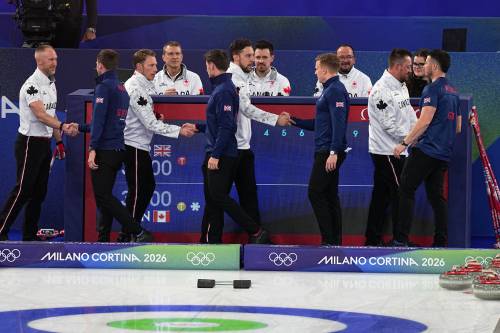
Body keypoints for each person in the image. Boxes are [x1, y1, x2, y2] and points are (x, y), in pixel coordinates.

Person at [199, 39, 291, 243]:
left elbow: (231, 118)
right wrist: (275, 119)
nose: (253, 60)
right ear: (235, 57)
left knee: (229, 197)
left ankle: (253, 237)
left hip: (239, 148)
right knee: (220, 197)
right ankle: (251, 235)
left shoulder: (235, 80)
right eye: (249, 56)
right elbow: (244, 111)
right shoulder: (234, 81)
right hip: (233, 148)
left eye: (254, 55)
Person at [102, 49, 195, 242]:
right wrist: (179, 131)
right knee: (137, 190)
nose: (155, 69)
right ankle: (128, 234)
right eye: (151, 65)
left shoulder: (146, 84)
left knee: (147, 187)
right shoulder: (135, 87)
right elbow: (150, 123)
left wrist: (156, 113)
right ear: (139, 67)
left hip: (140, 145)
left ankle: (130, 230)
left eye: (155, 65)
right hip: (131, 145)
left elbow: (147, 113)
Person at [0, 45, 77, 241]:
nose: (55, 63)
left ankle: (29, 235)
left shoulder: (51, 83)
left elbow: (50, 116)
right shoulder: (31, 85)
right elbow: (41, 116)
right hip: (29, 144)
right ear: (39, 61)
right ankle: (1, 230)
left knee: (39, 192)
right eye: (51, 60)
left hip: (44, 144)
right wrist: (63, 125)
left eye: (56, 59)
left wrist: (59, 142)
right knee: (23, 189)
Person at [392, 49, 461, 248]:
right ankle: (440, 242)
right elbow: (456, 127)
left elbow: (424, 121)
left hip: (428, 151)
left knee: (405, 189)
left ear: (435, 66)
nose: (423, 66)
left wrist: (405, 142)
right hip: (443, 155)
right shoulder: (454, 92)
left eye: (426, 63)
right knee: (436, 197)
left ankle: (400, 240)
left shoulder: (431, 89)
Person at [87, 49, 153, 243]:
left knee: (103, 196)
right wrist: (82, 128)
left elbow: (99, 121)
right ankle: (103, 239)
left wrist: (92, 148)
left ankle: (137, 231)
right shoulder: (121, 88)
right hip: (118, 149)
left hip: (105, 149)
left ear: (100, 64)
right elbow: (112, 121)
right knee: (104, 196)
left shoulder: (104, 87)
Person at [292, 53, 349, 245]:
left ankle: (329, 241)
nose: (314, 71)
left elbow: (339, 123)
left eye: (316, 68)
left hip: (328, 151)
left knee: (315, 192)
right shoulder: (329, 90)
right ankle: (334, 242)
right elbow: (322, 123)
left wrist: (333, 152)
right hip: (326, 149)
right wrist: (296, 122)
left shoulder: (335, 90)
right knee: (329, 195)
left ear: (324, 70)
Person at [364, 49, 417, 246]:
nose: (411, 70)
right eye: (408, 67)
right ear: (397, 66)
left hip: (399, 149)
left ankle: (372, 239)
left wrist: (416, 132)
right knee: (400, 195)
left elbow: (409, 111)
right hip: (386, 152)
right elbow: (390, 125)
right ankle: (399, 241)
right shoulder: (381, 90)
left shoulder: (402, 85)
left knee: (381, 196)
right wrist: (410, 138)